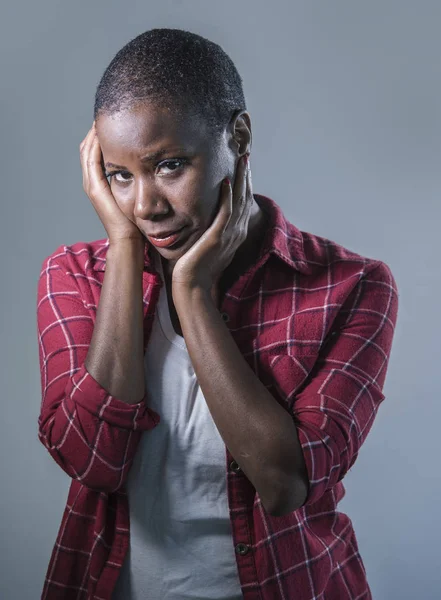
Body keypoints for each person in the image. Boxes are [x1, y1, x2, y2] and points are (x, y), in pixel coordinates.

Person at [36, 28, 398, 600]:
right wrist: (125, 250)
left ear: (240, 136)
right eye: (119, 176)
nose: (147, 207)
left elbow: (283, 485)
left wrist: (194, 294)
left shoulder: (350, 287)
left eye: (170, 165)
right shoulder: (76, 276)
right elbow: (94, 462)